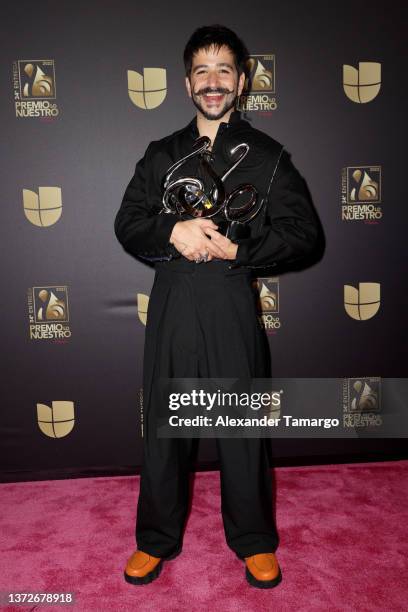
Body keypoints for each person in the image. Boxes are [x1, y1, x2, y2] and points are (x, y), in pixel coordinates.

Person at [114, 24, 320, 589]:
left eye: (224, 70)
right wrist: (172, 230)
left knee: (242, 427)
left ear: (242, 81)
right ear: (186, 83)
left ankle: (253, 539)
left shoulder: (271, 158)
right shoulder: (160, 155)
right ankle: (155, 539)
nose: (213, 81)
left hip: (231, 296)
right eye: (202, 71)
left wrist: (240, 247)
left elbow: (305, 235)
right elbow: (127, 223)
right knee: (166, 426)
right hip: (175, 297)